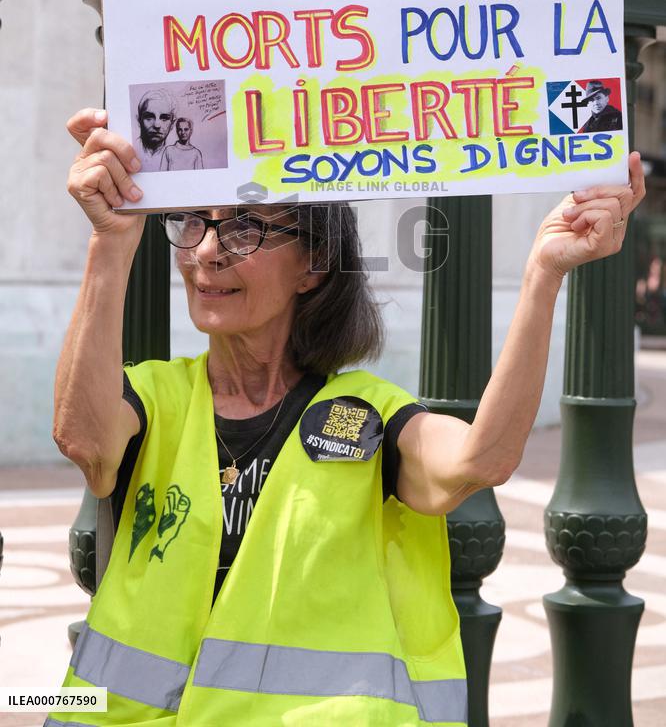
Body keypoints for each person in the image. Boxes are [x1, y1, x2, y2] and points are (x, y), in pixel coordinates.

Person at [50, 107, 645, 727]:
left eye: (246, 229)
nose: (205, 252)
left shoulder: (367, 414)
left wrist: (543, 274)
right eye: (194, 221)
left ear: (314, 266)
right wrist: (111, 242)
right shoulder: (154, 397)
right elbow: (82, 438)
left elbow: (482, 458)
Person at [136, 89, 175, 171]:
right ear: (139, 120)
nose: (157, 125)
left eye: (164, 118)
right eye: (149, 117)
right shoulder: (130, 149)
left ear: (172, 124)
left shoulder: (174, 156)